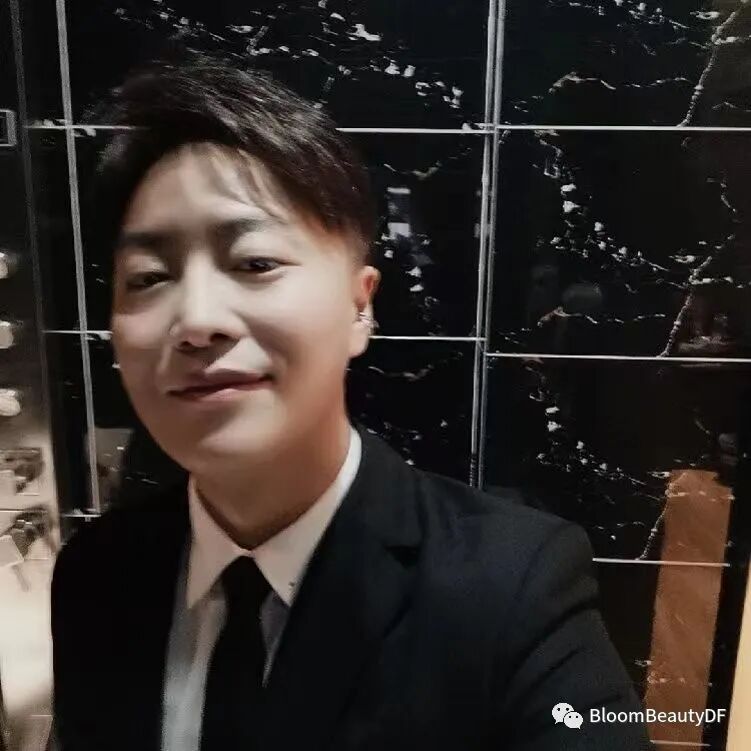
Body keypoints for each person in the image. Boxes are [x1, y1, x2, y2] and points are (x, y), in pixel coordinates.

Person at [49, 55, 650, 751]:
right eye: (149, 277)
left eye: (254, 263)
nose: (197, 320)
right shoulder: (97, 571)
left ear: (359, 306)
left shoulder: (513, 584)